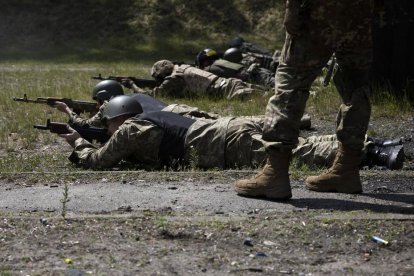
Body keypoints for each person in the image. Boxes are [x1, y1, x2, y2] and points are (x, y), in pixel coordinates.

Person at [234, 1, 375, 199]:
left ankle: (275, 173)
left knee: (291, 80)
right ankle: (347, 169)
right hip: (360, 10)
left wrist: (292, 7)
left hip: (320, 10)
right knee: (356, 86)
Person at [58, 95, 403, 171]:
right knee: (302, 143)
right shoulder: (163, 113)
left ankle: (374, 154)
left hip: (227, 144)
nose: (108, 129)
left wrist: (76, 142)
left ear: (119, 117)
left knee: (299, 154)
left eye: (108, 123)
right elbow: (201, 114)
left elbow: (100, 161)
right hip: (232, 126)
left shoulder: (131, 129)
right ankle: (376, 143)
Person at [54, 80, 220, 129]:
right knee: (218, 121)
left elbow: (86, 126)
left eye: (97, 101)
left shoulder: (113, 106)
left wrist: (67, 110)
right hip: (175, 110)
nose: (97, 105)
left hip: (169, 122)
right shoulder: (136, 96)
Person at [150, 60, 268, 100]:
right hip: (229, 83)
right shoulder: (182, 68)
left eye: (159, 78)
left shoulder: (174, 78)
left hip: (224, 90)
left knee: (267, 99)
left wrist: (132, 84)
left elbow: (154, 94)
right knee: (269, 94)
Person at [196, 48, 275, 88]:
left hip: (258, 79)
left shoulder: (211, 68)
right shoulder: (221, 61)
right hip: (262, 72)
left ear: (204, 61)